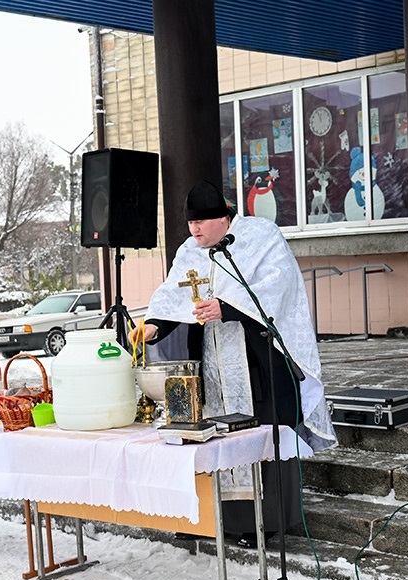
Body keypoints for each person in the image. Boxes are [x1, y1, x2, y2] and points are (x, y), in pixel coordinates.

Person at [131, 180, 335, 548]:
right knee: (215, 438)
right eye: (191, 224)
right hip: (211, 362)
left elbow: (278, 286)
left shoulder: (261, 236)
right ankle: (220, 519)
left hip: (256, 360)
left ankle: (265, 522)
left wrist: (227, 308)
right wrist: (153, 325)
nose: (195, 231)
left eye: (203, 223)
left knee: (258, 437)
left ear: (224, 218)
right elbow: (172, 293)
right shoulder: (189, 251)